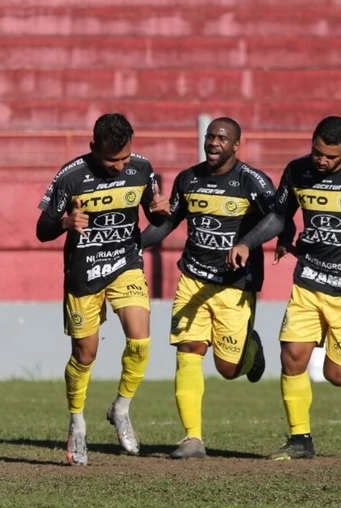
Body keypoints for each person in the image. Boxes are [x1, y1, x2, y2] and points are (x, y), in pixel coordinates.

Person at [227, 115, 341, 460]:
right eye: (317, 153)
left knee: (337, 374)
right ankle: (300, 439)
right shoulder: (298, 171)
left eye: (330, 156)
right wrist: (247, 243)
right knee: (292, 357)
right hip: (309, 280)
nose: (321, 161)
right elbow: (281, 215)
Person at [36, 113, 170, 466]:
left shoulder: (141, 169)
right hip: (84, 273)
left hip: (125, 264)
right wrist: (65, 223)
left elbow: (154, 216)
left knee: (140, 341)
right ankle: (77, 425)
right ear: (93, 148)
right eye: (112, 161)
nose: (120, 166)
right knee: (85, 354)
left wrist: (159, 212)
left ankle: (121, 408)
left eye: (125, 158)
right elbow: (42, 228)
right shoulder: (71, 176)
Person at [139, 117, 275, 459]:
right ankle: (192, 439)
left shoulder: (252, 181)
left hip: (234, 287)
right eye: (209, 136)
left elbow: (277, 218)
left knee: (228, 370)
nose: (213, 142)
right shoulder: (189, 178)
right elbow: (169, 223)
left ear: (236, 146)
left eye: (222, 138)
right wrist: (134, 244)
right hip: (193, 279)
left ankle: (251, 351)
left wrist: (246, 243)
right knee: (188, 351)